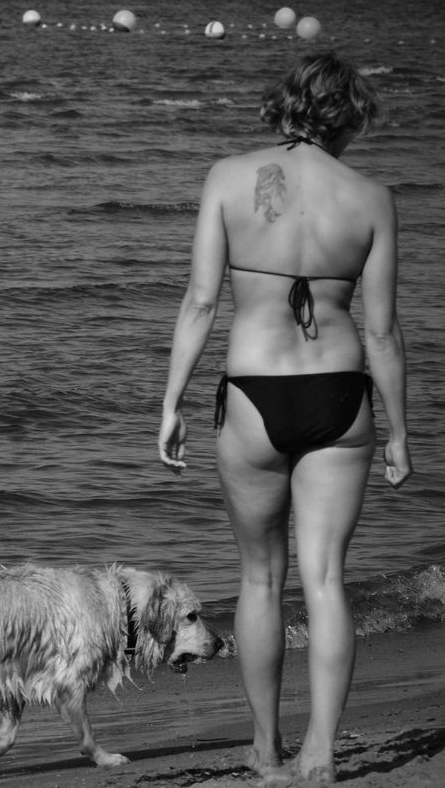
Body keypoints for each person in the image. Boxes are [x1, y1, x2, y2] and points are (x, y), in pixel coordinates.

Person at [158, 52, 412, 785]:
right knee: (326, 578)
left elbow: (200, 302)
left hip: (251, 397)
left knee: (261, 578)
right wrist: (399, 431)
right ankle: (322, 754)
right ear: (348, 116)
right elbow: (383, 331)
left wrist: (171, 401)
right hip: (339, 395)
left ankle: (265, 749)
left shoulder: (227, 177)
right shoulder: (371, 197)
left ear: (284, 105)